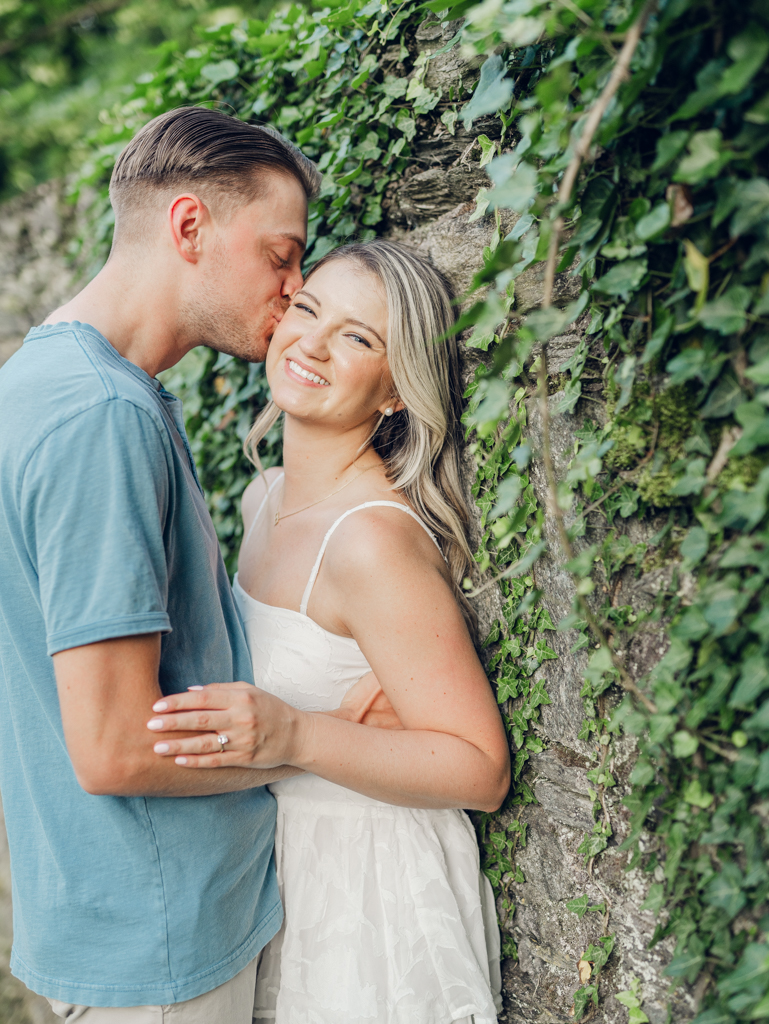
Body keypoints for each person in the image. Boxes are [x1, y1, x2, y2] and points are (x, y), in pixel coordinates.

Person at [0, 107, 394, 1022]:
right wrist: (321, 739)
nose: (294, 290)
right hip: (161, 941)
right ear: (188, 227)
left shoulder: (36, 382)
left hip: (101, 912)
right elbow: (114, 746)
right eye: (281, 255)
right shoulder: (105, 418)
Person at [148, 239, 511, 1023]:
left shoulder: (371, 542)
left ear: (394, 392)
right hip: (281, 874)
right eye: (307, 310)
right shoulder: (264, 498)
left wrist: (298, 735)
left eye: (357, 337)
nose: (310, 342)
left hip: (368, 894)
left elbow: (480, 769)